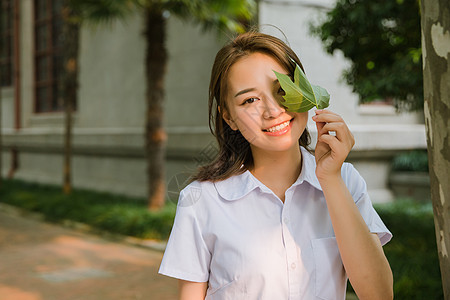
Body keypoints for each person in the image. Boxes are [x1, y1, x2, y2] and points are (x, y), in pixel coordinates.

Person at [159, 31, 393, 300]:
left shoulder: (346, 181)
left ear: (303, 90)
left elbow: (379, 295)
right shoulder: (202, 201)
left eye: (282, 90)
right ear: (229, 118)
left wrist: (330, 180)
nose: (272, 111)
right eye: (249, 100)